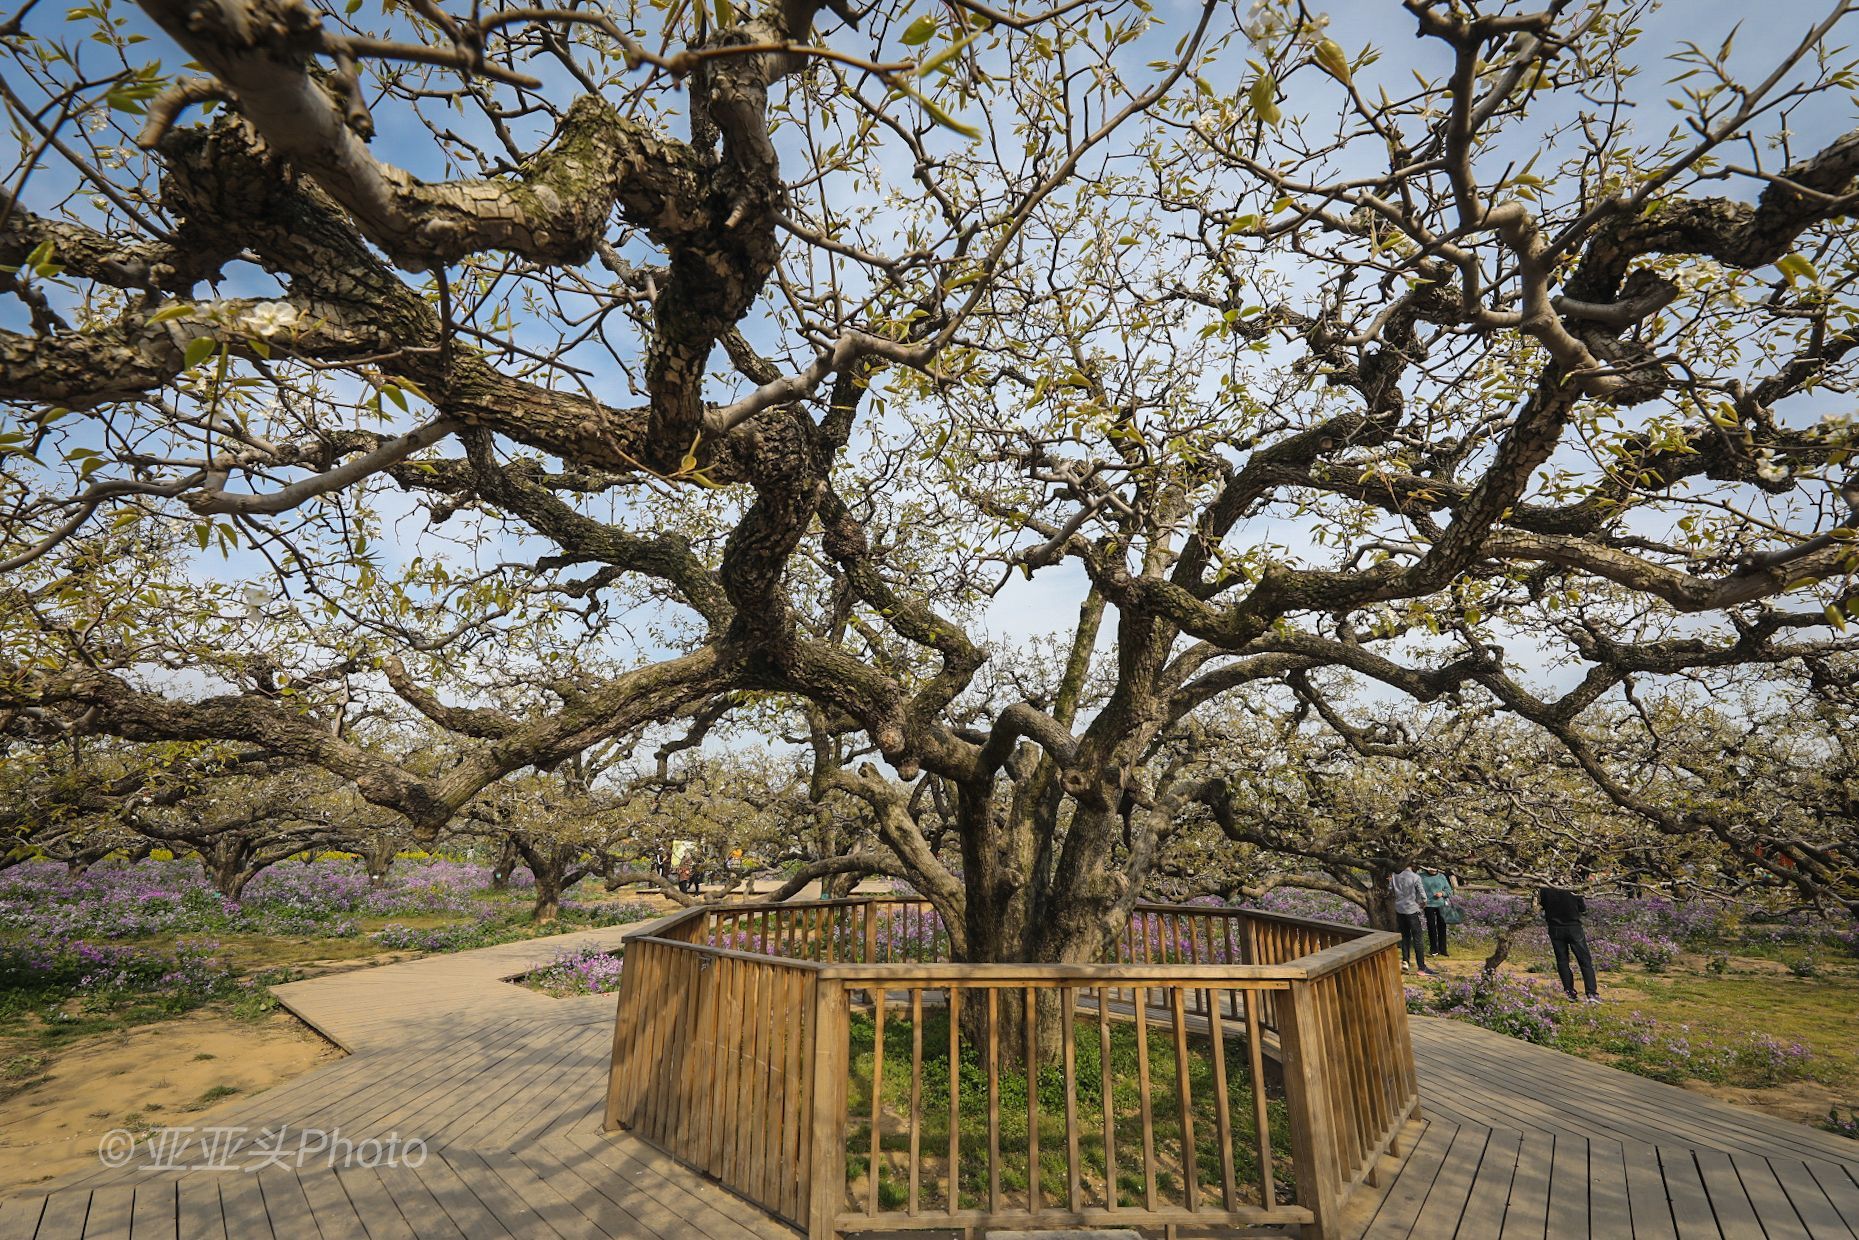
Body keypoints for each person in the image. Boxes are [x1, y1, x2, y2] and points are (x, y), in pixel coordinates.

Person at [1539, 882, 1599, 1001]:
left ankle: (1569, 992)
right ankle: (1591, 993)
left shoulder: (1544, 888)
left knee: (1562, 961)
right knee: (1584, 960)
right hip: (1573, 927)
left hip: (1555, 928)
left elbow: (1543, 906)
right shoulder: (1573, 887)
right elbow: (1582, 908)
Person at [1389, 861, 1432, 974]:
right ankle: (1421, 967)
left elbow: (1390, 890)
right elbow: (1423, 895)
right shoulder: (1415, 877)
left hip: (1399, 909)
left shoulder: (1395, 876)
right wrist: (1423, 903)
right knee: (1417, 938)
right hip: (1411, 909)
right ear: (1412, 866)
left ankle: (1405, 961)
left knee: (1405, 936)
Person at [1421, 865, 1455, 957]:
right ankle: (1434, 950)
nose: (1432, 870)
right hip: (1428, 905)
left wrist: (1442, 893)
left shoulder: (1442, 876)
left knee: (1442, 926)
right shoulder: (1421, 876)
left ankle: (1443, 949)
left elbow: (1449, 890)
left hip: (1441, 904)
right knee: (1431, 927)